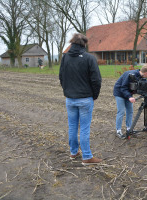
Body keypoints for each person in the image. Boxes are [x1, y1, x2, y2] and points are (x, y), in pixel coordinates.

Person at [59, 33, 102, 164]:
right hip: (85, 98)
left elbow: (61, 77)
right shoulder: (89, 58)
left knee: (72, 126)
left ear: (72, 43)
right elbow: (96, 80)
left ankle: (73, 152)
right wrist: (94, 95)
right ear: (84, 44)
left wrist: (67, 91)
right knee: (84, 128)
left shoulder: (65, 58)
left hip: (70, 99)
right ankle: (87, 156)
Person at [113, 64, 147, 139]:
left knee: (130, 111)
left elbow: (136, 87)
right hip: (120, 93)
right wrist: (129, 97)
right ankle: (118, 130)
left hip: (128, 94)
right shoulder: (130, 75)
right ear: (146, 73)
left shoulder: (140, 76)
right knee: (121, 111)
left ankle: (129, 128)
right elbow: (123, 87)